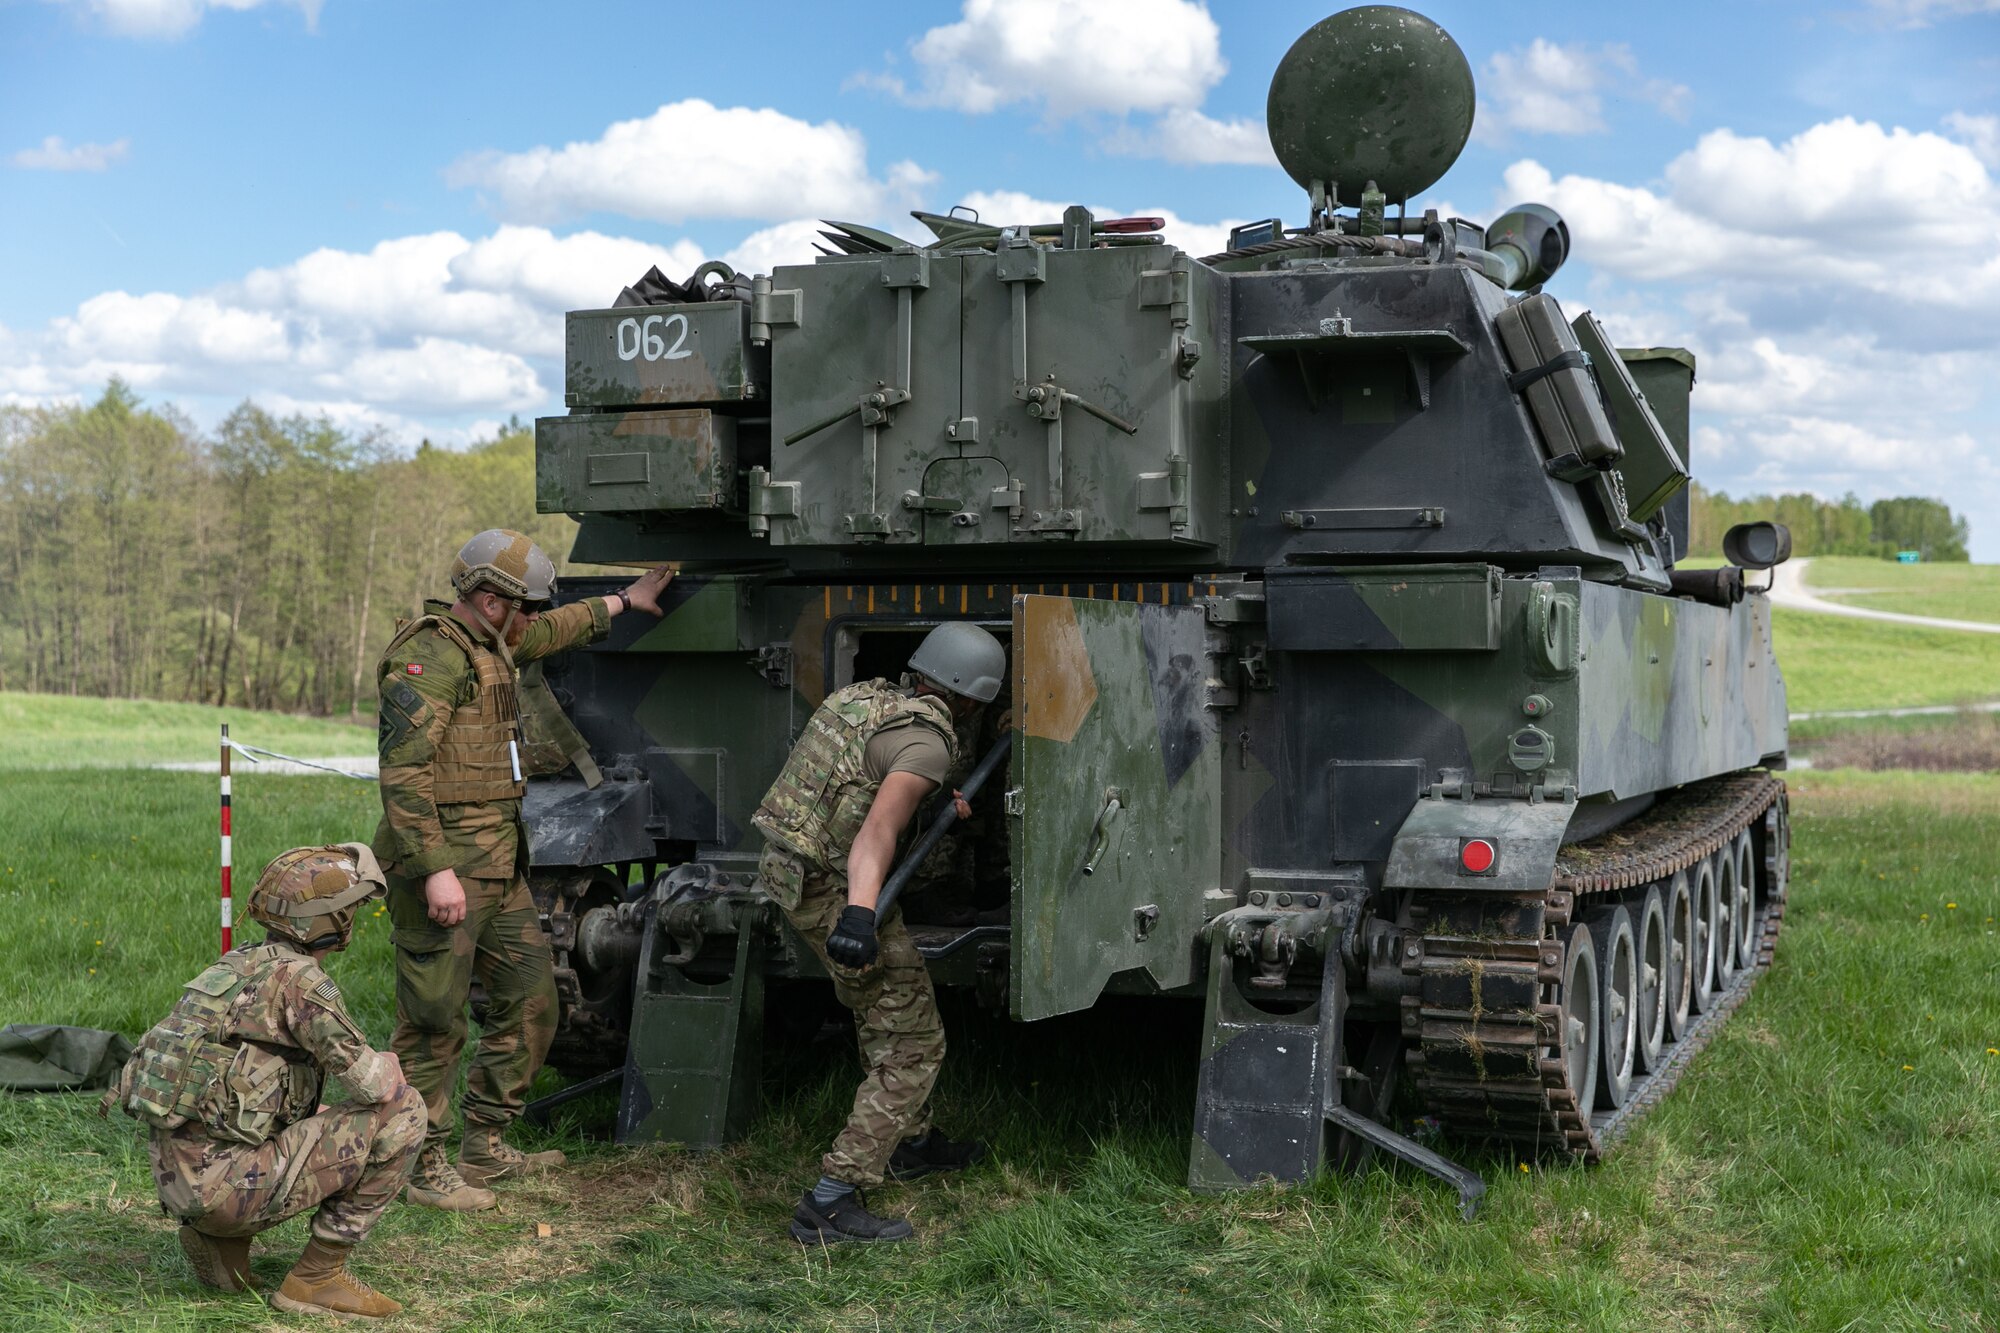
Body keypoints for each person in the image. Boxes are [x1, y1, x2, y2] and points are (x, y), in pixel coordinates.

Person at [371, 529, 670, 1210]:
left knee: (537, 1000)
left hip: (500, 866)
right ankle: (420, 1163)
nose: (532, 619)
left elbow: (557, 628)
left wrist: (626, 600)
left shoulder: (495, 642)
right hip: (442, 869)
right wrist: (434, 870)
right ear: (488, 599)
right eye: (524, 607)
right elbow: (404, 774)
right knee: (432, 1021)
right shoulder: (429, 656)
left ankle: (485, 1143)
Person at [753, 621, 1006, 1245]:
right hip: (837, 888)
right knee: (915, 1043)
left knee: (884, 1011)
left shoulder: (861, 699)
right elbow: (876, 833)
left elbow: (850, 785)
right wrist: (861, 915)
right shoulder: (929, 745)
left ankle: (910, 1142)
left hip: (790, 867)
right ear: (972, 699)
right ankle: (832, 1199)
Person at [105, 845, 421, 1320]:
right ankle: (316, 1278)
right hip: (228, 1186)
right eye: (348, 910)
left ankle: (219, 1242)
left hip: (182, 1181)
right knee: (404, 1110)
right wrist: (390, 1066)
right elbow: (375, 1087)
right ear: (326, 921)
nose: (352, 918)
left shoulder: (233, 966)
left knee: (304, 1113)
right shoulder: (301, 983)